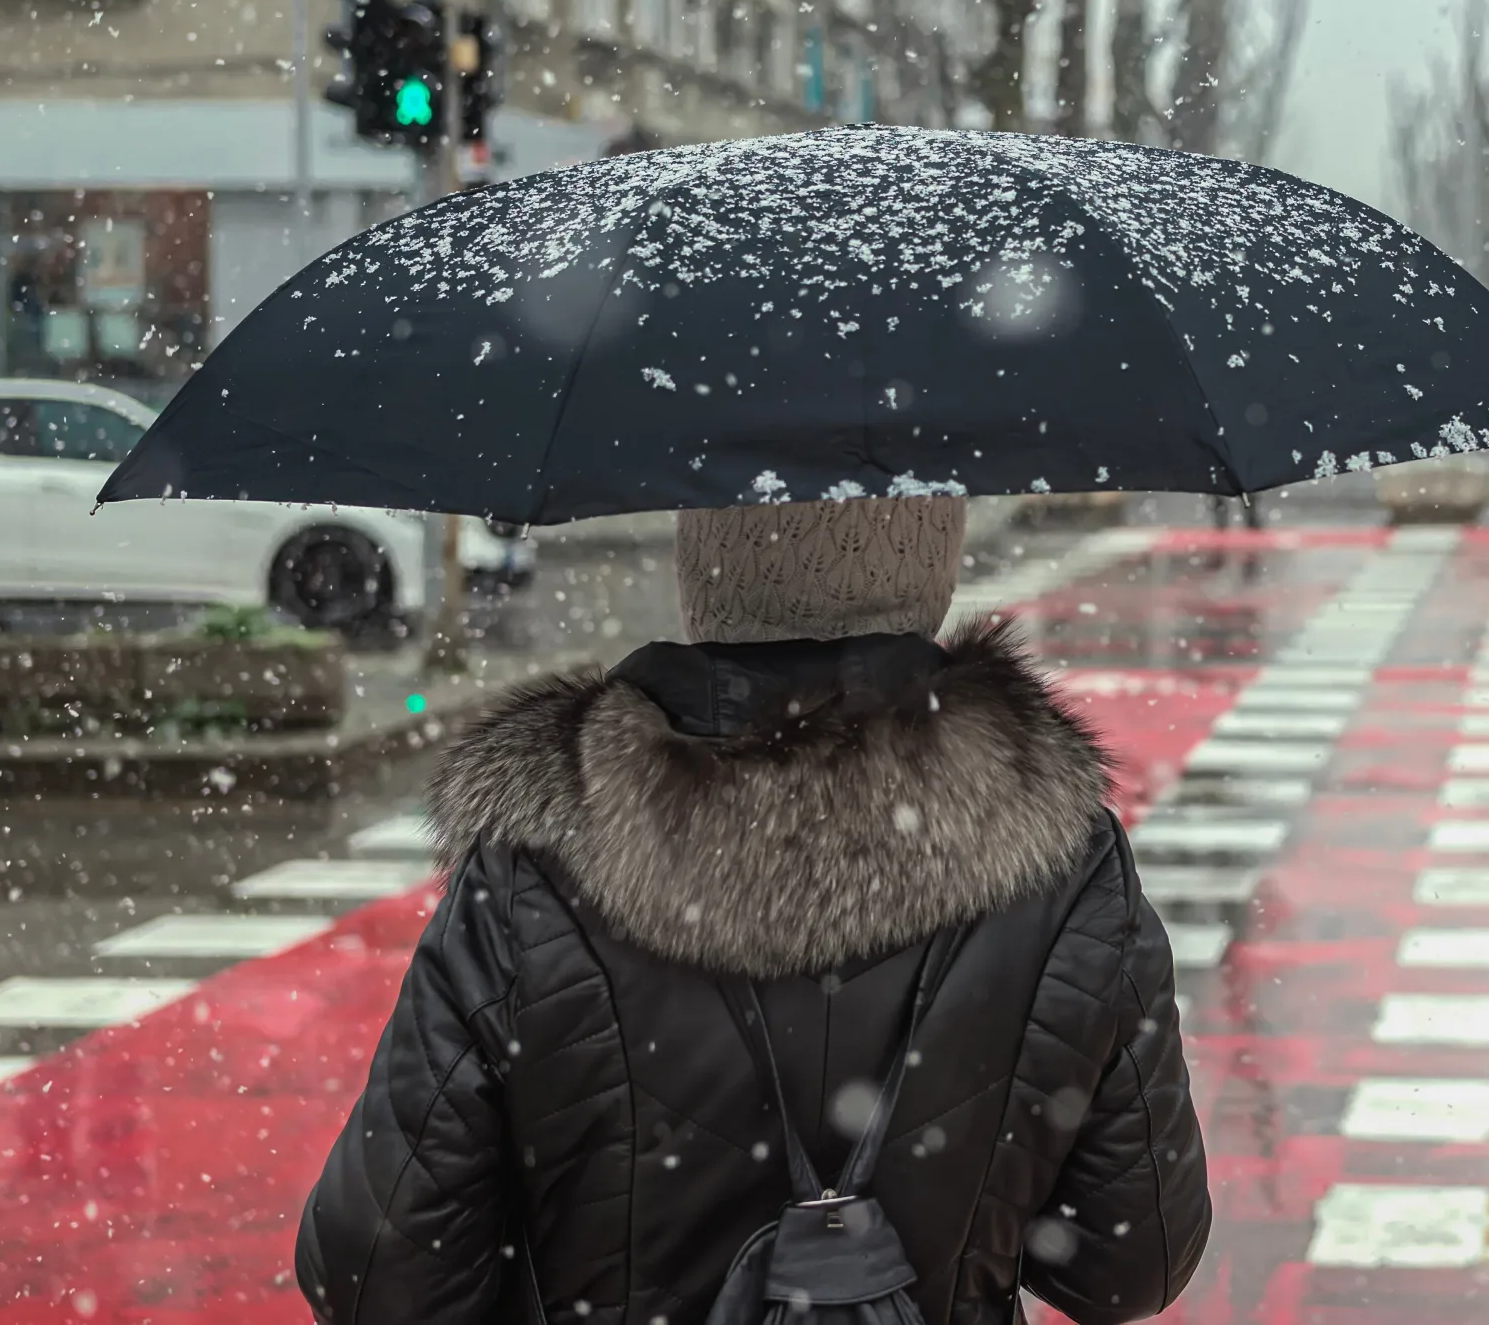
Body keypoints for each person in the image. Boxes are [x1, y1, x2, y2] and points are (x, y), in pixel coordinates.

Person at [295, 496, 1210, 1325]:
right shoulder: (1061, 860)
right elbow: (1131, 1262)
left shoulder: (536, 863)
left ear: (704, 573)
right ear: (934, 567)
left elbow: (378, 1275)